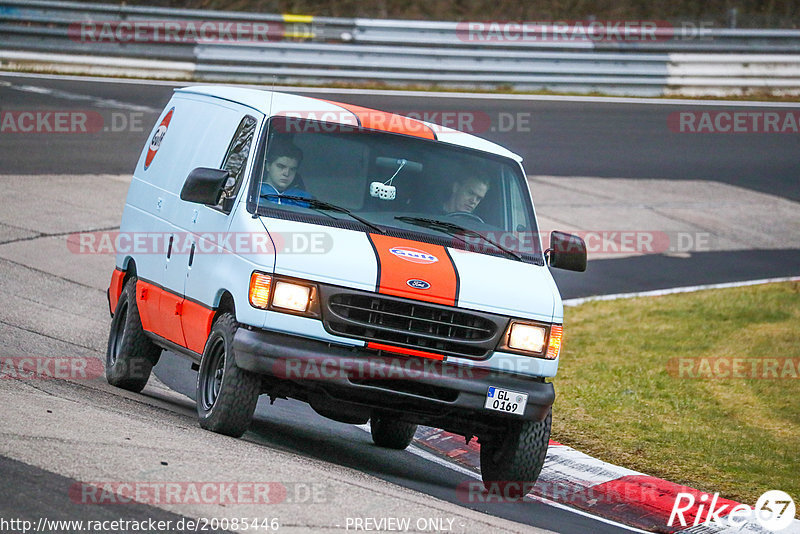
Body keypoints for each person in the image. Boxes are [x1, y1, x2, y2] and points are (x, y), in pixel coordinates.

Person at [260, 142, 312, 206]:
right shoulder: (252, 193)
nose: (286, 174)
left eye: (292, 169)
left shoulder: (305, 200)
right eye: (281, 166)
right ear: (268, 166)